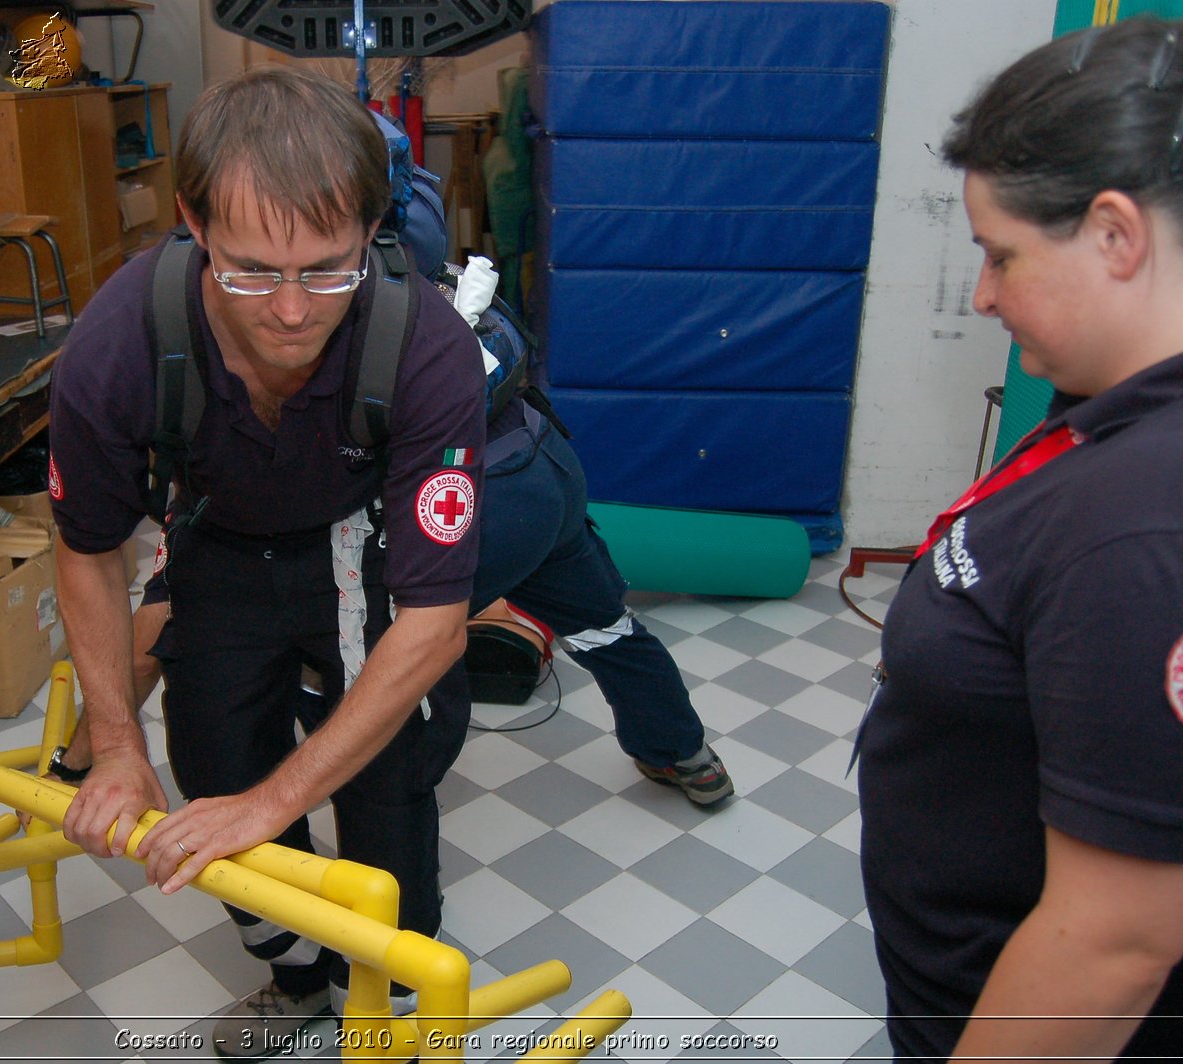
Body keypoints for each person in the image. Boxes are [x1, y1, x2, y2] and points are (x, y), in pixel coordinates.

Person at [47, 65, 731, 1062]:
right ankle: (295, 979)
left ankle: (401, 993)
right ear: (189, 220)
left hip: (367, 533)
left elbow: (429, 625)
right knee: (211, 762)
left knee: (389, 774)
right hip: (231, 534)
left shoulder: (424, 346)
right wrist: (112, 741)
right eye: (248, 271)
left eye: (326, 268)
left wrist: (277, 800)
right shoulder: (117, 345)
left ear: (371, 228)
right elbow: (88, 552)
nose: (288, 310)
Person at [857, 16, 1183, 1062]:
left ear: (1116, 235)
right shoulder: (1152, 416)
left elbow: (1114, 941)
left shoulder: (1157, 517)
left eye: (1000, 255)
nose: (981, 293)